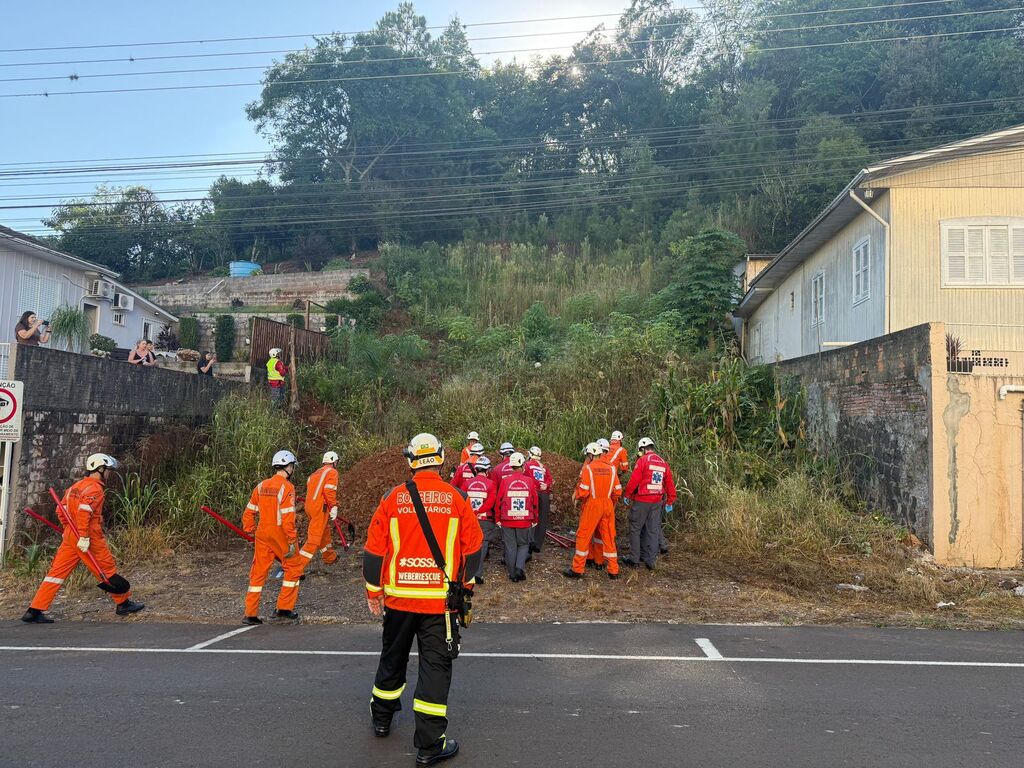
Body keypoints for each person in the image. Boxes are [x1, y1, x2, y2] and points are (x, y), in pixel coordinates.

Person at [364, 433, 482, 766]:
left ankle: (382, 719)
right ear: (442, 459)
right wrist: (466, 588)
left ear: (411, 460)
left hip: (399, 601)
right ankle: (430, 746)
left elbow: (374, 552)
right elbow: (473, 551)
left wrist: (375, 591)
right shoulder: (456, 498)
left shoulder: (392, 498)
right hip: (440, 605)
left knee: (392, 659)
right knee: (435, 670)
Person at [22, 453, 145, 623]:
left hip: (71, 537)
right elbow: (83, 513)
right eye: (108, 470)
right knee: (106, 569)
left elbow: (61, 511)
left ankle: (34, 610)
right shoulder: (95, 489)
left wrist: (68, 530)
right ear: (100, 469)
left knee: (56, 574)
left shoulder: (75, 487)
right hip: (88, 538)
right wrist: (84, 537)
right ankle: (123, 604)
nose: (109, 473)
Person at [241, 450, 305, 624]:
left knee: (258, 572)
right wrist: (292, 540)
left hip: (261, 533)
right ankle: (284, 609)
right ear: (289, 467)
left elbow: (248, 512)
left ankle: (250, 613)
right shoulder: (287, 487)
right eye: (292, 466)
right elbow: (287, 517)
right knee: (294, 567)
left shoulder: (261, 486)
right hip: (280, 534)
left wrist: (250, 529)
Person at [563, 443, 621, 581]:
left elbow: (583, 491)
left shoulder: (589, 469)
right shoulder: (612, 469)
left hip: (593, 504)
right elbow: (617, 491)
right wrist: (610, 503)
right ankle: (613, 571)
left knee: (583, 535)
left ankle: (577, 569)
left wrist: (576, 496)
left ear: (591, 454)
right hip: (607, 504)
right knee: (607, 536)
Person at [623, 437, 677, 571]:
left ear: (642, 448)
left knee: (635, 528)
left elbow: (634, 480)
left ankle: (634, 560)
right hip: (657, 501)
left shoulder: (642, 461)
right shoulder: (663, 462)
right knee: (653, 530)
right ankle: (650, 561)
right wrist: (670, 500)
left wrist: (627, 494)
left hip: (642, 500)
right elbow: (669, 483)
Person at [495, 452, 538, 582]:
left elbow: (499, 500)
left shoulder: (505, 481)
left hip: (507, 520)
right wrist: (535, 518)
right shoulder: (529, 481)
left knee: (510, 546)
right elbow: (535, 501)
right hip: (524, 520)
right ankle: (519, 568)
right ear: (522, 465)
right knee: (523, 544)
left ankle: (513, 574)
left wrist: (497, 518)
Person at [299, 450, 340, 567]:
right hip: (320, 508)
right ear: (334, 461)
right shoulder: (332, 472)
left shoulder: (315, 473)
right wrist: (333, 506)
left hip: (309, 507)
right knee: (314, 538)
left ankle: (329, 557)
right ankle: (296, 566)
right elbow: (329, 491)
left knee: (324, 531)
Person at [463, 456, 497, 584]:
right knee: (483, 546)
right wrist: (478, 511)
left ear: (476, 469)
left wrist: (472, 513)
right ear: (487, 470)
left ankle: (467, 573)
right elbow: (490, 503)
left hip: (469, 519)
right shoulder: (491, 484)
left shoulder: (467, 483)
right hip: (485, 520)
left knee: (469, 545)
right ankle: (477, 573)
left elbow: (463, 499)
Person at [524, 446, 553, 553]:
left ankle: (529, 542)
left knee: (531, 517)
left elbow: (527, 478)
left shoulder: (527, 465)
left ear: (530, 454)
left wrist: (537, 485)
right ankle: (538, 544)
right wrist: (545, 485)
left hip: (533, 493)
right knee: (542, 519)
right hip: (544, 493)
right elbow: (549, 478)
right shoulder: (543, 466)